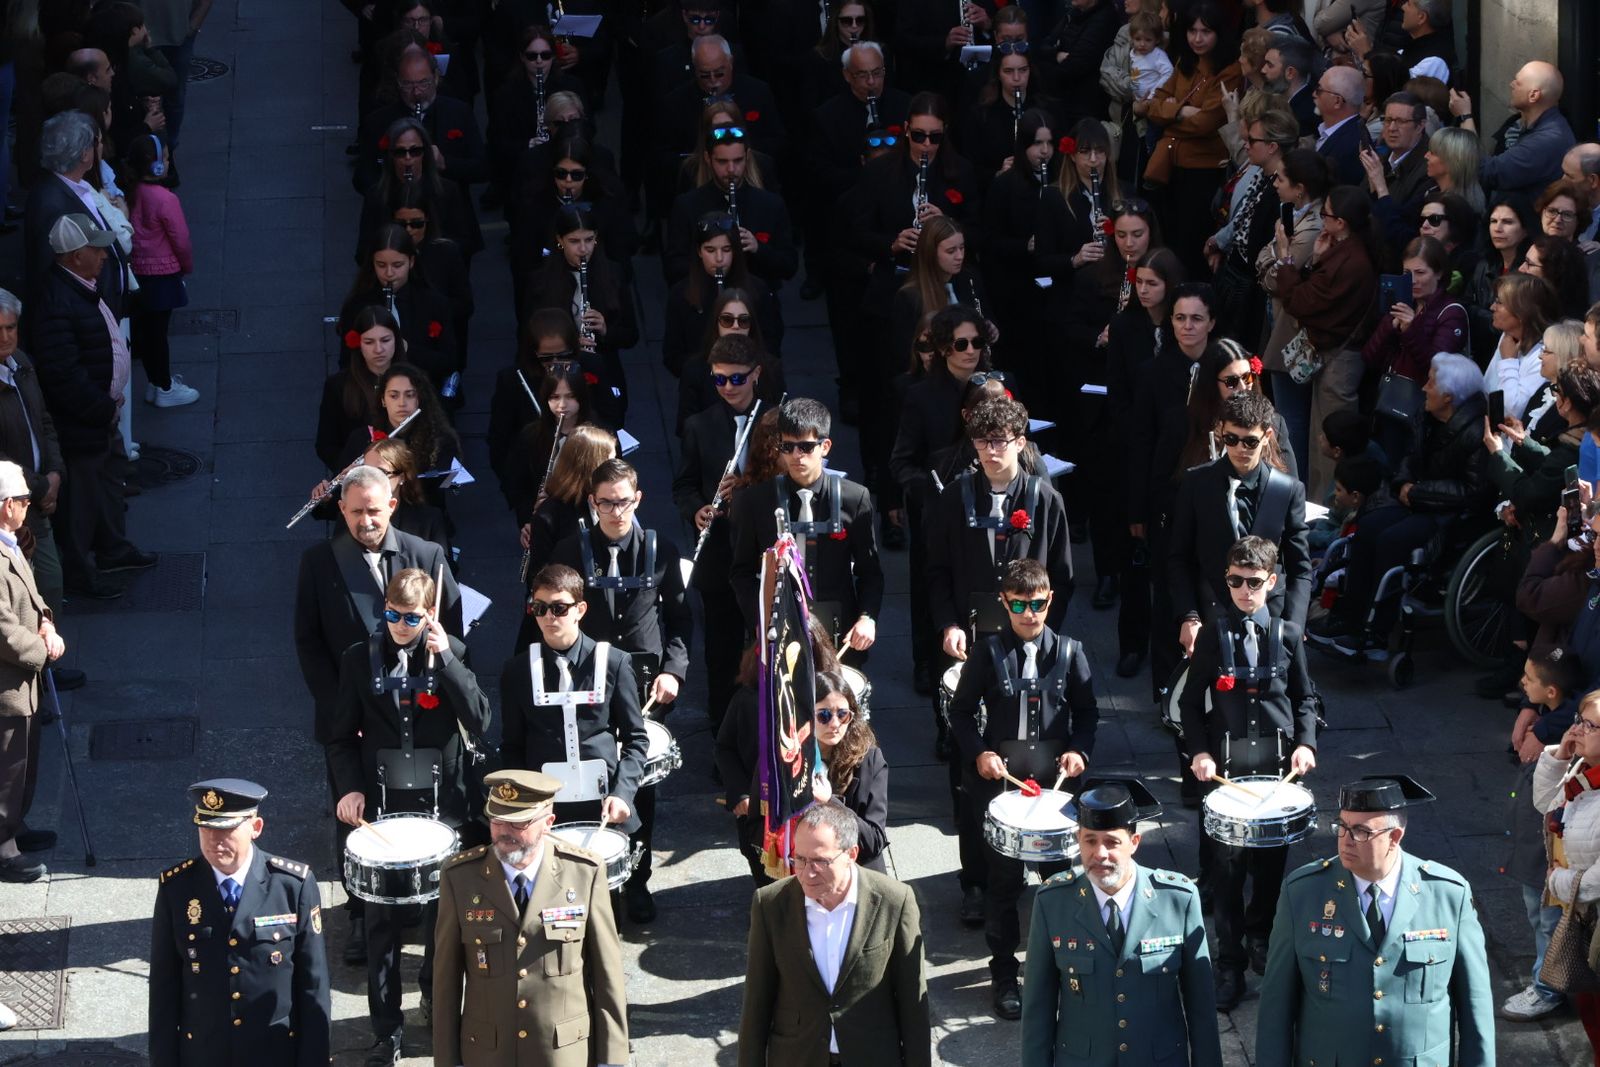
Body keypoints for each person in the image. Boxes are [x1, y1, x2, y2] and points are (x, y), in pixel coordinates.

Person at [291, 465, 461, 964]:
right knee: (358, 812)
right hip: (355, 714)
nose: (366, 521)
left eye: (374, 509)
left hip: (419, 708)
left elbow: (448, 626)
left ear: (392, 504)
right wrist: (345, 708)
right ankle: (362, 912)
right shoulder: (319, 561)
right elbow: (308, 643)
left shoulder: (426, 554)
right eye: (355, 511)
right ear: (341, 510)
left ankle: (421, 901)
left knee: (422, 807)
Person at [328, 567, 490, 1066]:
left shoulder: (452, 653)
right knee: (381, 924)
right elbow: (338, 735)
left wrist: (446, 660)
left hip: (441, 809)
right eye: (392, 615)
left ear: (429, 615)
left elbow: (480, 721)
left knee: (445, 921)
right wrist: (350, 789)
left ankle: (436, 1004)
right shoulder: (359, 659)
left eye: (411, 617)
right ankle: (385, 1029)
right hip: (384, 810)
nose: (400, 624)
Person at [947, 558, 1098, 1018]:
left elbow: (1088, 715)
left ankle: (1061, 964)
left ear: (1050, 600)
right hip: (1000, 791)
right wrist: (980, 753)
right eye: (1019, 604)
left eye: (1036, 604)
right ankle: (1003, 973)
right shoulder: (988, 653)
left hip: (1054, 790)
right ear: (1004, 603)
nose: (1029, 614)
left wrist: (1079, 752)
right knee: (1004, 882)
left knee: (1061, 880)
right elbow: (959, 713)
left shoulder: (1071, 652)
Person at [1256, 775, 1493, 1067]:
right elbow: (1275, 1010)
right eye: (1341, 827)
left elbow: (1476, 1009)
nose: (1345, 840)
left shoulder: (1448, 895)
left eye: (1361, 832)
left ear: (1394, 838)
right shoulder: (1303, 893)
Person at [548, 458, 691, 922]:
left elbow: (682, 622)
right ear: (592, 502)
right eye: (606, 502)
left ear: (638, 499)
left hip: (646, 682)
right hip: (589, 680)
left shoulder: (662, 548)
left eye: (623, 501)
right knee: (589, 774)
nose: (615, 511)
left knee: (639, 780)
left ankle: (638, 877)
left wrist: (674, 670)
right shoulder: (569, 549)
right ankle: (592, 870)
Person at [1182, 536, 1319, 1009]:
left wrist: (1306, 743)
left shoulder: (1288, 635)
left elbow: (1305, 697)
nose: (1244, 591)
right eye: (1236, 582)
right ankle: (1229, 962)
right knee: (1226, 870)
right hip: (1229, 773)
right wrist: (1198, 753)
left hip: (1278, 770)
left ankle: (1261, 936)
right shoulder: (1213, 636)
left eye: (1254, 583)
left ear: (1271, 582)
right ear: (1227, 581)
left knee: (1269, 866)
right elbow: (1188, 702)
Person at [432, 768, 629, 1067]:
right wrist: (447, 1061)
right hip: (487, 1054)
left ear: (548, 823)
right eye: (496, 821)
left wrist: (612, 1059)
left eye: (519, 823)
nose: (504, 832)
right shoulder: (460, 878)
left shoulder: (584, 872)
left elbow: (607, 976)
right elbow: (446, 980)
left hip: (563, 1053)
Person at [1022, 779, 1222, 1067]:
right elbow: (1037, 1011)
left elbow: (1201, 1008)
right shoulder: (1053, 902)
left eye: (1112, 842)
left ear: (1134, 843)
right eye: (1090, 840)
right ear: (1078, 840)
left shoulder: (1178, 899)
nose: (1100, 854)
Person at [148, 779, 331, 1067]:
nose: (213, 840)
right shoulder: (177, 889)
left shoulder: (292, 886)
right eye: (205, 828)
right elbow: (163, 991)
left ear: (255, 828)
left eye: (226, 830)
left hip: (273, 1053)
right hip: (204, 1055)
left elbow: (313, 987)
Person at [737, 800, 931, 1066]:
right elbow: (756, 1003)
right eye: (800, 859)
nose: (806, 873)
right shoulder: (770, 905)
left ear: (851, 854)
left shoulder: (894, 901)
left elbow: (913, 1005)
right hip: (798, 1056)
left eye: (820, 861)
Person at [31, 213, 155, 600]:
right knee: (81, 502)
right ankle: (80, 573)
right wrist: (104, 409)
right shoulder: (57, 302)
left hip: (101, 415)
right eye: (95, 248)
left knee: (106, 484)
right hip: (84, 422)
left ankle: (113, 549)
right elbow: (64, 376)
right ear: (72, 255)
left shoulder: (80, 285)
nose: (103, 255)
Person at [500, 564, 650, 837]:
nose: (548, 616)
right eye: (539, 608)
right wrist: (524, 806)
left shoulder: (614, 663)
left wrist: (623, 793)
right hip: (545, 811)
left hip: (604, 806)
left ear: (580, 610)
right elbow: (512, 746)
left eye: (559, 608)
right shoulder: (517, 671)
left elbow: (636, 739)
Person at [728, 398, 883, 650]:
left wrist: (867, 618)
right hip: (776, 631)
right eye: (787, 447)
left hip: (838, 632)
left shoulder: (855, 498)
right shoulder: (754, 501)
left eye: (806, 447)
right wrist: (760, 619)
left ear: (825, 446)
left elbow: (870, 572)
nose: (796, 456)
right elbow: (741, 572)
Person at [1499, 647, 1581, 1023]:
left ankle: (1548, 988)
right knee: (1542, 916)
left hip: (1548, 856)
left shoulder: (1561, 745)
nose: (1522, 683)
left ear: (1551, 692)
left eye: (1529, 679)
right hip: (1537, 849)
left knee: (1547, 918)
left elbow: (1547, 802)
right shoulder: (1553, 726)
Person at [0, 461, 63, 883]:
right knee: (8, 767)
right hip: (7, 686)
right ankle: (4, 849)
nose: (27, 505)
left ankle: (14, 828)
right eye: (23, 499)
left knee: (24, 763)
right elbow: (2, 628)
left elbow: (32, 594)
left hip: (23, 679)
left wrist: (45, 618)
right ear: (6, 505)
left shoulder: (10, 543)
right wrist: (41, 648)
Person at [0, 291, 68, 621]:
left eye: (10, 328)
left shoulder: (22, 364)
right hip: (11, 504)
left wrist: (55, 472)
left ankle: (47, 666)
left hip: (37, 501)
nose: (5, 337)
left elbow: (43, 421)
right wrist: (43, 488)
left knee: (50, 587)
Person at [124, 131, 197, 407]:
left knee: (149, 332)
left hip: (139, 272)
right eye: (165, 158)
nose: (167, 162)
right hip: (163, 274)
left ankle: (157, 382)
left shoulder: (132, 193)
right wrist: (186, 266)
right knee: (159, 335)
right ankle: (164, 387)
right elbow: (181, 239)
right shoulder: (166, 199)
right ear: (155, 165)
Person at [1461, 61, 1577, 203]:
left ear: (1533, 95)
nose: (1512, 84)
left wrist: (1465, 116)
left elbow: (1485, 172)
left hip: (1526, 222)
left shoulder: (1546, 140)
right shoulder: (1529, 126)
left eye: (1518, 82)